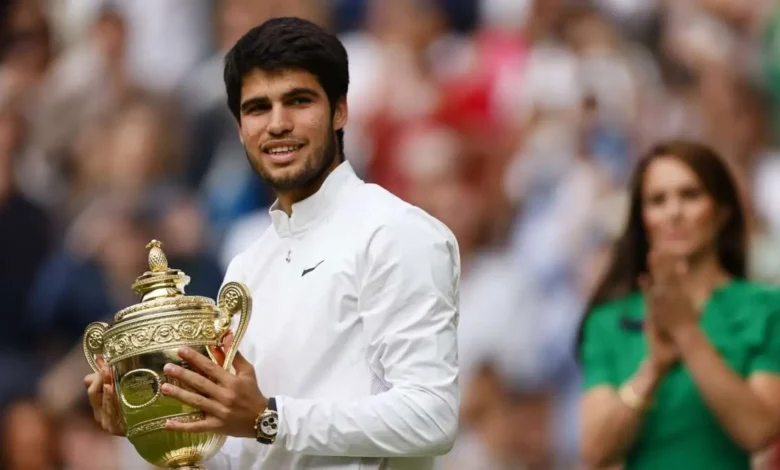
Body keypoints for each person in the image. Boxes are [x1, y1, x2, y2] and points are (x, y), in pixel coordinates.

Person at [84, 16, 461, 470]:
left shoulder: (396, 233)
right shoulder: (246, 264)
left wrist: (268, 417)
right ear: (240, 127)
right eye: (258, 108)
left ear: (340, 110)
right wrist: (152, 427)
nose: (278, 124)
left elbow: (430, 417)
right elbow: (248, 455)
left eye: (298, 101)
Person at [577, 139, 780, 470]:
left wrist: (687, 333)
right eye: (658, 200)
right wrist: (653, 368)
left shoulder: (766, 308)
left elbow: (758, 429)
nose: (674, 212)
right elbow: (596, 450)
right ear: (643, 218)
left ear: (722, 210)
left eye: (690, 195)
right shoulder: (610, 320)